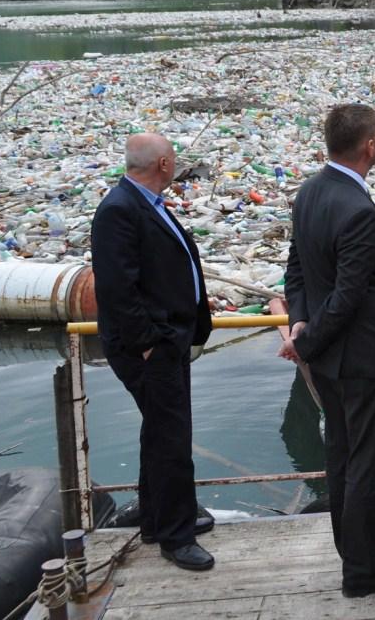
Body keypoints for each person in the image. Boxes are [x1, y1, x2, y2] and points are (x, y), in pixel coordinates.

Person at [279, 104, 375, 598]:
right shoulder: (358, 210)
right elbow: (348, 295)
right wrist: (307, 337)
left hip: (331, 361)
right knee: (369, 464)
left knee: (342, 456)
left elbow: (295, 268)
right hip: (364, 359)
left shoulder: (310, 192)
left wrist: (299, 323)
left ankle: (358, 546)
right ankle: (362, 572)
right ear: (370, 146)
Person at [91, 133, 215, 572]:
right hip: (150, 346)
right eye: (173, 159)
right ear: (162, 164)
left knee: (159, 432)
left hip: (168, 338)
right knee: (172, 439)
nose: (176, 165)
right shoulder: (119, 210)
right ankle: (176, 537)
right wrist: (147, 343)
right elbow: (116, 287)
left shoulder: (144, 204)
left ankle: (155, 518)